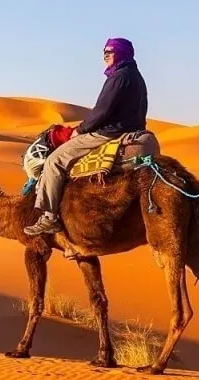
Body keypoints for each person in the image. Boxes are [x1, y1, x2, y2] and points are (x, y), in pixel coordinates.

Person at [24, 37, 148, 236]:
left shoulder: (119, 77)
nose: (106, 55)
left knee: (55, 161)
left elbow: (102, 111)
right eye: (104, 52)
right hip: (131, 130)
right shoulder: (135, 76)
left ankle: (49, 217)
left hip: (110, 132)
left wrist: (80, 130)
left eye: (111, 51)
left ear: (122, 53)